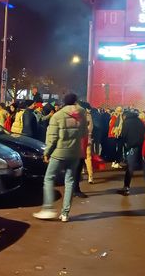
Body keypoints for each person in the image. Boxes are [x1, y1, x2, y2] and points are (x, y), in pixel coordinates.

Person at [33, 93, 87, 222]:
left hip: (59, 153)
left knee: (49, 178)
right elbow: (84, 133)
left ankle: (48, 208)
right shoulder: (81, 115)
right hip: (75, 153)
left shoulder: (57, 116)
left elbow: (52, 138)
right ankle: (65, 214)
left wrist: (47, 153)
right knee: (70, 181)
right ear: (76, 101)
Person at [119, 110, 145, 195]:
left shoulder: (126, 122)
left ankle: (126, 187)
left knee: (130, 168)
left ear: (125, 116)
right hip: (143, 146)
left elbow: (124, 135)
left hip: (132, 147)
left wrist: (125, 145)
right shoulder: (139, 121)